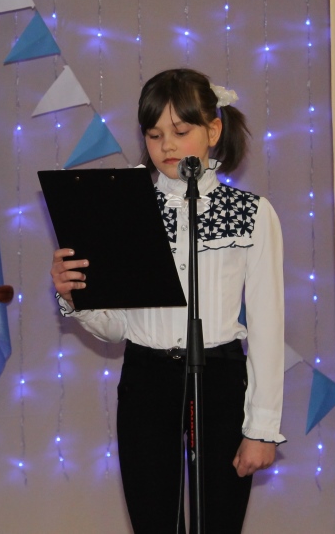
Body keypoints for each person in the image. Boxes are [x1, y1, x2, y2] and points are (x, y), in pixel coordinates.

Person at [50, 68, 285, 534]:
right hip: (147, 380)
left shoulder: (252, 214)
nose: (167, 146)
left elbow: (267, 326)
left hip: (220, 381)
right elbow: (118, 327)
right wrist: (76, 297)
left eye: (180, 131)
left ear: (212, 130)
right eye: (155, 135)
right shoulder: (125, 207)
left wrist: (261, 428)